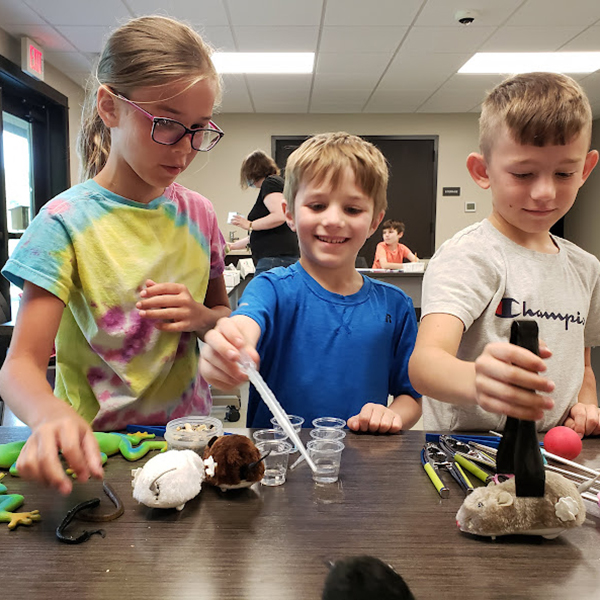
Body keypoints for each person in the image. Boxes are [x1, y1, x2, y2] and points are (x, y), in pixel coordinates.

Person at [0, 15, 230, 494]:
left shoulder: (201, 215)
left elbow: (220, 314)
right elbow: (21, 364)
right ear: (110, 106)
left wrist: (200, 317)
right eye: (166, 124)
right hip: (95, 451)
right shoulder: (63, 222)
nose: (185, 149)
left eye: (198, 129)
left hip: (187, 444)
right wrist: (49, 416)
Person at [408, 72, 600, 437]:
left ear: (586, 170)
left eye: (564, 172)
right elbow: (425, 365)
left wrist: (585, 407)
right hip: (466, 454)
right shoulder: (469, 257)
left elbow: (584, 367)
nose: (545, 192)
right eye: (524, 174)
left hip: (549, 453)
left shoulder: (587, 268)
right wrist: (477, 379)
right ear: (483, 172)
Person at [200, 132, 422, 432]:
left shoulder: (395, 305)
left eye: (352, 209)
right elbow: (245, 324)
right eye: (317, 206)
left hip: (364, 466)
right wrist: (229, 348)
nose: (333, 220)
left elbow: (410, 396)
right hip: (277, 467)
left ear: (374, 221)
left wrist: (392, 415)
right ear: (289, 214)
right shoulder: (270, 288)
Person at [230, 150, 299, 275]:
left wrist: (249, 224)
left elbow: (279, 216)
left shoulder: (270, 183)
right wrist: (233, 246)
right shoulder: (277, 183)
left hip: (275, 260)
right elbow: (263, 233)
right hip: (278, 258)